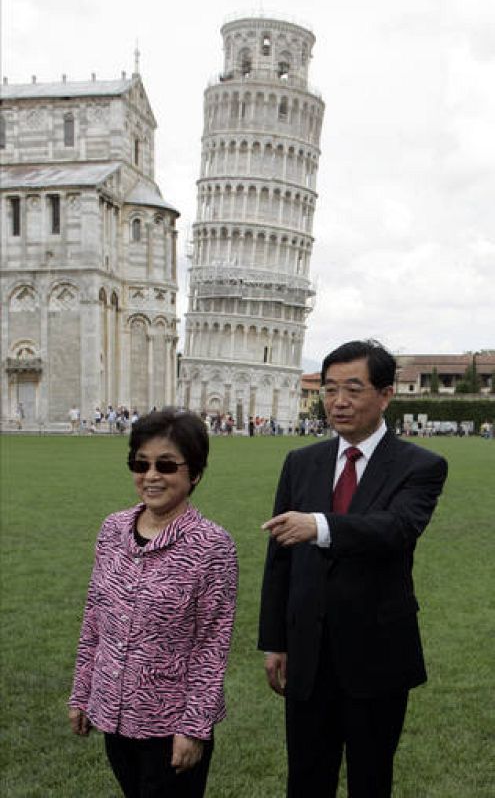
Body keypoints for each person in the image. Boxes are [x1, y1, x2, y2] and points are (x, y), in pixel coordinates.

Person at [258, 340, 448, 798]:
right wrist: (274, 642)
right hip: (308, 654)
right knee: (305, 777)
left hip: (377, 654)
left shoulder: (421, 465)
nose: (338, 402)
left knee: (370, 778)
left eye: (352, 389)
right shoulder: (300, 462)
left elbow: (397, 528)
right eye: (329, 389)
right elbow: (279, 559)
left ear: (385, 395)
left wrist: (320, 525)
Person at [69, 409, 238, 798]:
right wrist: (82, 693)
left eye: (166, 465)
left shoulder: (212, 545)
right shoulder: (112, 529)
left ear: (194, 473)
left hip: (171, 726)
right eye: (139, 463)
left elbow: (212, 644)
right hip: (113, 713)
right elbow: (94, 617)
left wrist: (194, 728)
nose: (151, 476)